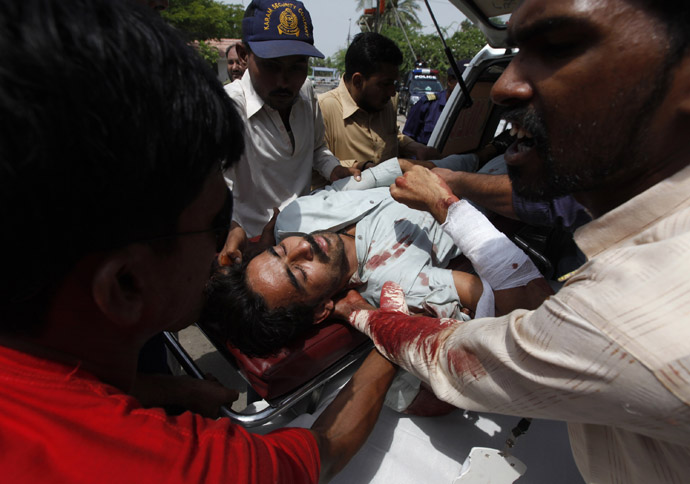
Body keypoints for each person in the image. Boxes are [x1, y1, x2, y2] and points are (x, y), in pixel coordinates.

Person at [0, 1, 398, 482]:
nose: (222, 252)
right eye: (215, 221)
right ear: (126, 284)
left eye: (297, 67)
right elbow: (321, 452)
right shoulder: (185, 465)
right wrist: (394, 340)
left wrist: (172, 391)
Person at [341, 0, 690, 482]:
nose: (504, 86)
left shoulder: (626, 318)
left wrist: (363, 313)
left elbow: (458, 355)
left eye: (560, 47)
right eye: (518, 51)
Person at [201, 159, 547, 358]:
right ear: (322, 309)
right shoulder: (396, 285)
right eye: (300, 274)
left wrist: (421, 170)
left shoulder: (293, 218)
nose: (301, 247)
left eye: (280, 251)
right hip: (476, 196)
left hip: (435, 168)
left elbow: (381, 172)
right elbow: (498, 299)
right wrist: (442, 199)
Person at [220, 0, 357, 266]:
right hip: (247, 248)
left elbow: (318, 149)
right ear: (244, 55)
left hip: (302, 239)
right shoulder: (227, 108)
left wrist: (334, 170)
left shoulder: (305, 90)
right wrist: (232, 228)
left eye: (297, 66)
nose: (284, 81)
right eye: (272, 66)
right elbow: (214, 192)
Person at [315, 32, 441, 189]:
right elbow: (316, 162)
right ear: (358, 81)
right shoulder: (322, 109)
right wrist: (361, 167)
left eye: (394, 84)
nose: (392, 92)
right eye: (385, 84)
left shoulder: (387, 102)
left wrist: (415, 147)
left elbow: (394, 136)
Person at [403, 60, 469, 145]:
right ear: (450, 80)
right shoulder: (427, 105)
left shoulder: (472, 108)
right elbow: (407, 140)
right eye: (465, 82)